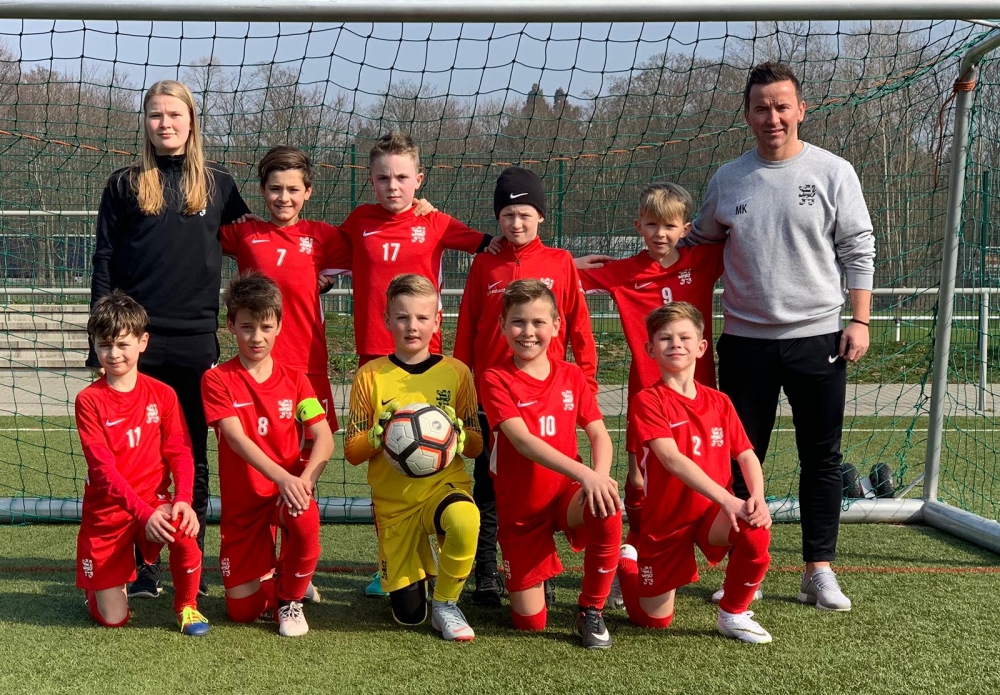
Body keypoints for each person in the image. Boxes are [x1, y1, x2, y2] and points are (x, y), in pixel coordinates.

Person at [685, 62, 876, 610]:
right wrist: (632, 264)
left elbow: (858, 247)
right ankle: (745, 570)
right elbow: (696, 244)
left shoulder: (833, 171)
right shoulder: (729, 178)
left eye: (782, 106)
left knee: (821, 458)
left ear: (800, 110)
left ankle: (819, 570)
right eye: (762, 108)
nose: (773, 117)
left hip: (819, 339)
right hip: (745, 342)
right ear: (747, 115)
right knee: (742, 459)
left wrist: (860, 320)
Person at [89, 79, 252, 599]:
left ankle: (190, 563)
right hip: (138, 344)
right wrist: (101, 337)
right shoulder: (123, 183)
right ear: (145, 123)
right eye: (156, 115)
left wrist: (310, 267)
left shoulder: (219, 184)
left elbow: (258, 239)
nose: (165, 123)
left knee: (191, 455)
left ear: (191, 120)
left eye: (174, 114)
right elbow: (104, 259)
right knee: (138, 458)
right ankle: (143, 567)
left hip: (196, 342)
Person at [318, 131, 493, 597]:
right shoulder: (358, 221)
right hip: (374, 358)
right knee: (386, 459)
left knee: (434, 453)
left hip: (426, 359)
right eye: (382, 178)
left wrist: (567, 263)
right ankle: (390, 562)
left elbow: (492, 246)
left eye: (401, 177)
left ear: (419, 179)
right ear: (370, 180)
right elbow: (320, 255)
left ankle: (446, 557)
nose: (392, 186)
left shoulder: (434, 220)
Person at [454, 166, 599, 608]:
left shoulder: (560, 262)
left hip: (547, 398)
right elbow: (467, 329)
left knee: (547, 483)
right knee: (490, 487)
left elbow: (579, 328)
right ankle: (485, 572)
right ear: (497, 218)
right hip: (494, 398)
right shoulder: (485, 263)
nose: (516, 223)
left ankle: (540, 569)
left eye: (524, 214)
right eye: (507, 215)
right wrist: (462, 388)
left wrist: (587, 383)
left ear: (540, 217)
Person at [577, 182, 723, 596]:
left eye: (670, 226)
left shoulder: (704, 260)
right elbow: (553, 276)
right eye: (652, 224)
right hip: (648, 395)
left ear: (686, 229)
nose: (661, 234)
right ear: (638, 225)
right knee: (640, 479)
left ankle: (692, 556)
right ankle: (634, 553)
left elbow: (750, 245)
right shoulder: (624, 271)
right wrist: (571, 261)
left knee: (703, 477)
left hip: (699, 393)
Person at [618, 302, 773, 643]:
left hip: (711, 514)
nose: (676, 343)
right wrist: (728, 499)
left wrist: (757, 497)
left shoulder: (720, 401)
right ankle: (627, 563)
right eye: (665, 338)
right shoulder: (648, 400)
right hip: (667, 520)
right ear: (650, 349)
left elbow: (746, 454)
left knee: (754, 527)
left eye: (685, 337)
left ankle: (733, 613)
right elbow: (671, 459)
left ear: (701, 347)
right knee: (653, 621)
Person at [479, 279, 621, 649]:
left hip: (565, 496)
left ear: (556, 326)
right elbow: (523, 442)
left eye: (538, 322)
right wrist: (585, 473)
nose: (528, 332)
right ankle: (539, 572)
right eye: (518, 322)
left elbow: (599, 434)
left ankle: (591, 609)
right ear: (502, 326)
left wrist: (598, 478)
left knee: (606, 506)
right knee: (531, 624)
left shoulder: (571, 375)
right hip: (522, 511)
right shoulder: (494, 378)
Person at [343, 273, 482, 641]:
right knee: (408, 616)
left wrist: (460, 435)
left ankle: (447, 604)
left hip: (443, 487)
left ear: (438, 320)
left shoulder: (457, 373)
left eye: (422, 317)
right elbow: (352, 452)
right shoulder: (370, 375)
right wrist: (376, 437)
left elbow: (477, 445)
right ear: (387, 320)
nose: (412, 326)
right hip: (395, 506)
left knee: (465, 519)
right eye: (402, 317)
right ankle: (423, 565)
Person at [201, 272, 333, 637]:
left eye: (265, 327)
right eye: (247, 327)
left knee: (304, 514)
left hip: (284, 496)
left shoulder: (296, 379)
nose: (256, 337)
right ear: (231, 325)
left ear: (279, 326)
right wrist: (284, 477)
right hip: (244, 507)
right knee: (242, 612)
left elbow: (323, 437)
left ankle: (290, 599)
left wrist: (303, 483)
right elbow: (235, 438)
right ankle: (286, 578)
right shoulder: (217, 379)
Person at [75, 291, 210, 636]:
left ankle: (187, 606)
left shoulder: (163, 394)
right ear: (94, 345)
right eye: (105, 345)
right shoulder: (88, 401)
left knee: (183, 527)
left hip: (153, 500)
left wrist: (183, 499)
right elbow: (102, 471)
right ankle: (99, 590)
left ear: (142, 342)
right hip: (109, 509)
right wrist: (143, 514)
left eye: (123, 344)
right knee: (113, 619)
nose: (113, 354)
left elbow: (180, 451)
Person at [220, 146, 347, 445]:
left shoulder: (324, 235)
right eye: (275, 189)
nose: (284, 198)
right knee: (259, 448)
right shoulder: (245, 234)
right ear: (262, 190)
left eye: (293, 189)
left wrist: (325, 282)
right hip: (257, 363)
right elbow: (196, 231)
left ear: (308, 192)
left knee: (312, 447)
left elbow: (373, 255)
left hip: (308, 363)